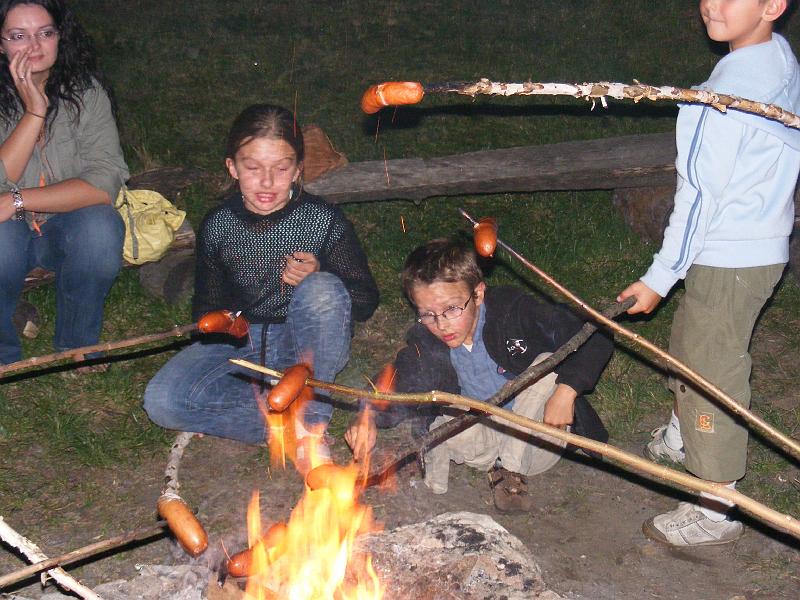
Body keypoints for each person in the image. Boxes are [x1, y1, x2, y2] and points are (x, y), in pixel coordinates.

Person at [618, 0, 799, 547]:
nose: (712, 5)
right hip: (757, 244)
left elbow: (698, 196)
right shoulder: (777, 59)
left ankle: (716, 506)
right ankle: (683, 437)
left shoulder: (720, 100)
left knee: (710, 375)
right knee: (693, 343)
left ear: (773, 5)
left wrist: (661, 275)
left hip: (729, 251)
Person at [144, 104, 379, 473]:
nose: (267, 182)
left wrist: (320, 272)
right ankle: (279, 419)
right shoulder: (219, 226)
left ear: (298, 169)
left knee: (322, 289)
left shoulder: (322, 220)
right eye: (253, 168)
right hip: (244, 343)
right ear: (232, 167)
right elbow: (205, 308)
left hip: (306, 343)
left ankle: (309, 429)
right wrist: (222, 321)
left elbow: (365, 300)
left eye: (281, 168)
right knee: (163, 402)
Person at [345, 238, 613, 513]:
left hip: (538, 437)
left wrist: (567, 390)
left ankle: (510, 470)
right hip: (484, 446)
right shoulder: (429, 341)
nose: (441, 324)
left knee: (544, 367)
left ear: (478, 294)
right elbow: (398, 377)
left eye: (451, 309)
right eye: (428, 314)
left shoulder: (513, 312)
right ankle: (476, 467)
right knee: (443, 411)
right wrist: (367, 416)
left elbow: (595, 335)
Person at [0, 0, 129, 367]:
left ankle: (77, 344)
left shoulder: (84, 93)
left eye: (45, 33)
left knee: (100, 229)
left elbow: (104, 181)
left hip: (64, 224)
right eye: (18, 36)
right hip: (8, 231)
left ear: (60, 36)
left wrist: (19, 199)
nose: (34, 46)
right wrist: (34, 112)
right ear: (1, 44)